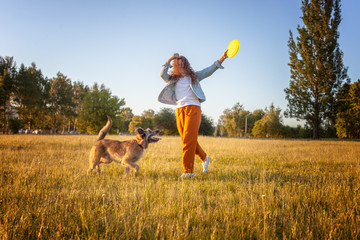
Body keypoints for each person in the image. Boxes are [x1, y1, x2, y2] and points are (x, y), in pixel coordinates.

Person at [158, 51, 228, 178]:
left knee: (188, 141)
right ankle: (205, 158)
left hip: (193, 108)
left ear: (186, 65)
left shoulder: (194, 76)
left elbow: (210, 69)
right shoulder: (173, 78)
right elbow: (162, 74)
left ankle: (188, 171)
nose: (180, 66)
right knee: (187, 140)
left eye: (182, 63)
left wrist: (223, 57)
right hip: (179, 109)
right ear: (175, 66)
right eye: (177, 64)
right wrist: (169, 60)